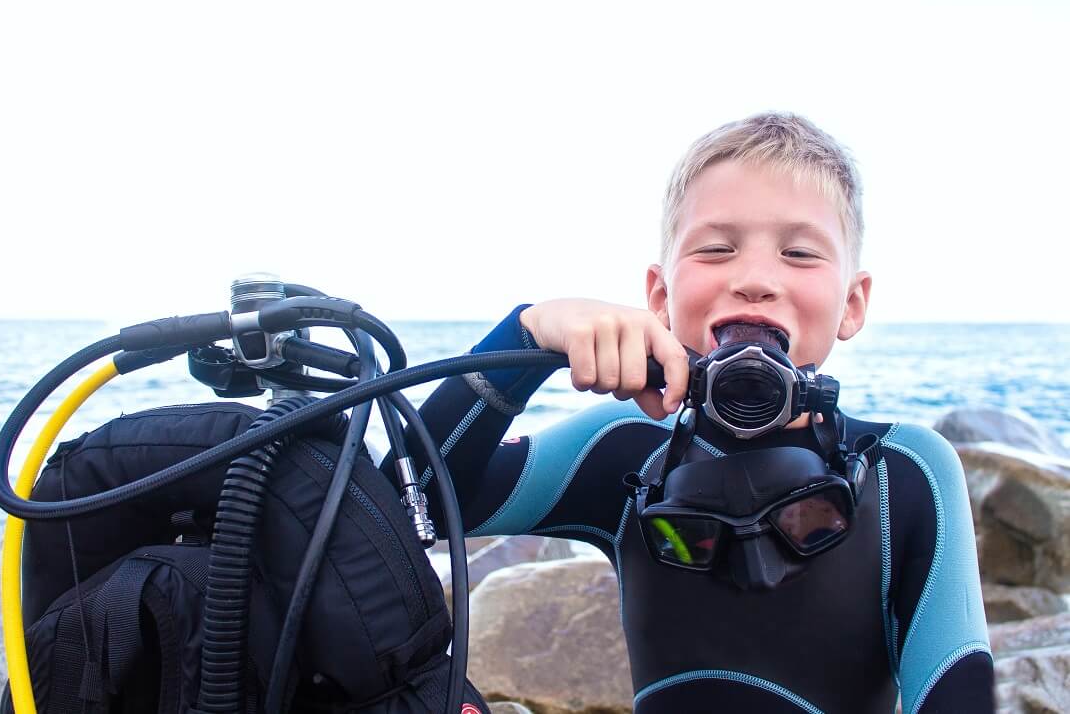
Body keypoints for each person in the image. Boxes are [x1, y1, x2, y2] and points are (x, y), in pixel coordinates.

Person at [395, 112, 993, 713]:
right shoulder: (625, 450)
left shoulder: (905, 473)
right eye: (716, 249)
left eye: (800, 253)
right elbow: (408, 501)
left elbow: (957, 688)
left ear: (852, 303)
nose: (756, 279)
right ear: (660, 296)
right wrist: (527, 339)